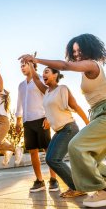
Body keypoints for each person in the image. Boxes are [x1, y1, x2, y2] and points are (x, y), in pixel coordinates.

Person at [19, 33, 106, 207]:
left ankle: (104, 192)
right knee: (91, 160)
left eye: (79, 49)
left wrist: (37, 60)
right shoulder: (57, 86)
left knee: (75, 146)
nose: (76, 54)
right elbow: (39, 81)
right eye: (73, 51)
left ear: (89, 48)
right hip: (101, 114)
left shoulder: (92, 64)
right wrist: (32, 67)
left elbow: (66, 65)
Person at [28, 62, 89, 197]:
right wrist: (31, 64)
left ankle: (77, 187)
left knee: (53, 159)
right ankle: (76, 186)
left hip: (69, 128)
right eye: (43, 72)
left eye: (47, 71)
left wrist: (88, 123)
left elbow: (76, 106)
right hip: (59, 130)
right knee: (51, 159)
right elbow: (36, 79)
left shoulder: (62, 89)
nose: (44, 74)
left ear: (56, 75)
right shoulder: (46, 92)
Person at [15, 60, 59, 193]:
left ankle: (53, 179)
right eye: (21, 66)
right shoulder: (21, 85)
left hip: (41, 118)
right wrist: (18, 120)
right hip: (27, 121)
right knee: (32, 151)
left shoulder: (41, 79)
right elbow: (20, 103)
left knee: (48, 150)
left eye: (25, 65)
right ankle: (39, 181)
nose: (22, 68)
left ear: (32, 65)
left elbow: (48, 97)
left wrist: (48, 116)